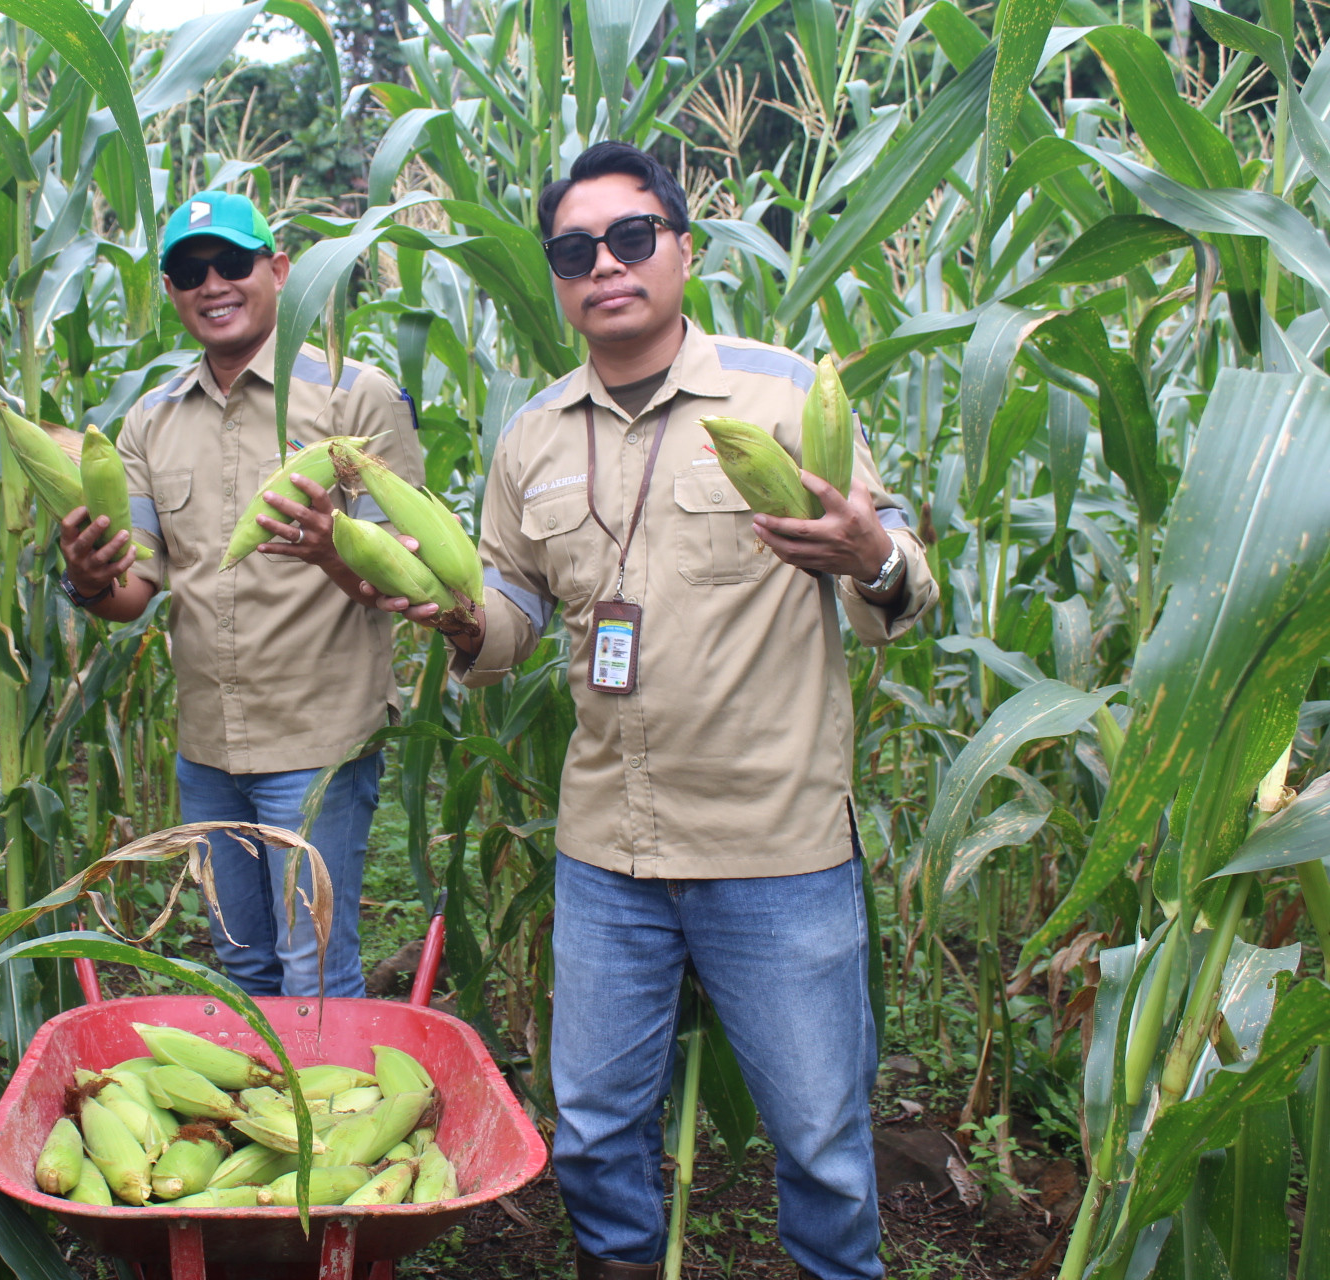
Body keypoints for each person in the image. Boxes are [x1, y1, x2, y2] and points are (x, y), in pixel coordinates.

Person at [346, 142, 938, 1280]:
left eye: (630, 237)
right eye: (576, 249)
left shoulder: (784, 392)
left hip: (775, 844)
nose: (605, 266)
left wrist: (871, 554)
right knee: (596, 1131)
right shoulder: (532, 437)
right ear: (559, 276)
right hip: (607, 847)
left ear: (681, 246)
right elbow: (514, 603)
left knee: (818, 1141)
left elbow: (900, 586)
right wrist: (460, 619)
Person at [55, 190, 426, 999]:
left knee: (314, 969)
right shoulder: (149, 424)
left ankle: (323, 1124)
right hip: (208, 751)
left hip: (316, 741)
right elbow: (135, 589)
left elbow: (409, 583)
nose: (212, 283)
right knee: (245, 965)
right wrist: (87, 579)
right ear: (171, 291)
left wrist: (332, 551)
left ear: (280, 270)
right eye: (190, 271)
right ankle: (261, 1119)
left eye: (232, 262)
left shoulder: (354, 400)